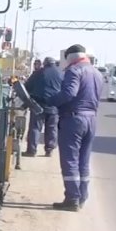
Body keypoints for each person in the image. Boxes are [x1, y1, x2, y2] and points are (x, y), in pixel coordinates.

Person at [44, 44, 104, 211]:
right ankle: (82, 196)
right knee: (83, 161)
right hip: (91, 119)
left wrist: (52, 100)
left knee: (70, 159)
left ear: (69, 57)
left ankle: (72, 199)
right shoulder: (96, 72)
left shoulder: (74, 70)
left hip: (74, 119)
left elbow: (69, 93)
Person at [26, 56, 63, 157]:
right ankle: (49, 150)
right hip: (54, 106)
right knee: (52, 128)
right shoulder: (61, 73)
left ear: (45, 63)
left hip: (38, 105)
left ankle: (31, 150)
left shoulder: (38, 73)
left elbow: (27, 86)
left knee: (35, 128)